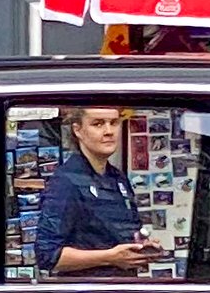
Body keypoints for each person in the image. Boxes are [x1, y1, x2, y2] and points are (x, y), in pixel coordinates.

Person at [32, 106, 151, 277]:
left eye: (114, 123)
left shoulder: (118, 179)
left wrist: (143, 246)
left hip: (123, 285)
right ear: (78, 130)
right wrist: (110, 258)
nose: (109, 131)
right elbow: (47, 255)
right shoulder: (66, 181)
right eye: (98, 124)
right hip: (87, 289)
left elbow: (124, 235)